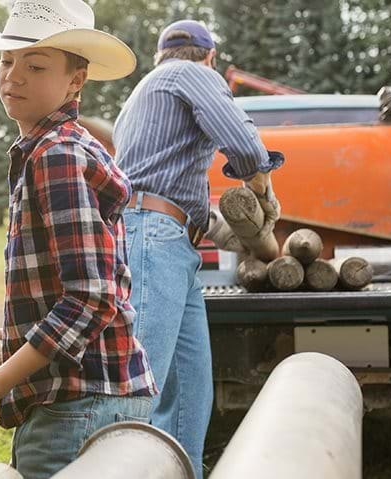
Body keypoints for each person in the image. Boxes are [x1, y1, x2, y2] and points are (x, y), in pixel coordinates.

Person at [0, 2, 156, 478]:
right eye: (6, 61)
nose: (14, 77)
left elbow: (92, 297)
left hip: (74, 408)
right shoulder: (62, 146)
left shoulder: (55, 155)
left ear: (76, 80)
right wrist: (21, 333)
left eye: (35, 66)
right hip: (92, 396)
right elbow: (79, 283)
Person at [112, 19, 284, 477]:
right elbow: (245, 146)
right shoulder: (193, 76)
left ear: (159, 55)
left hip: (167, 240)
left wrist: (234, 234)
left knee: (190, 392)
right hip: (154, 237)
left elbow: (175, 191)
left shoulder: (144, 95)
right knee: (140, 384)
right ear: (210, 57)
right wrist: (264, 196)